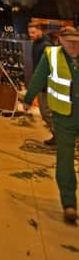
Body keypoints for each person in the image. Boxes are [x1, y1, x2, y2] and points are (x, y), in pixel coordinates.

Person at [22, 27, 79, 224]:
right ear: (60, 41)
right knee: (65, 158)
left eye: (76, 41)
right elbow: (39, 76)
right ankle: (69, 203)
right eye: (69, 41)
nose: (73, 45)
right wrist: (29, 99)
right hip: (64, 119)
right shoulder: (51, 55)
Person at [27, 22, 54, 145]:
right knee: (46, 112)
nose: (31, 35)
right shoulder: (37, 44)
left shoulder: (46, 45)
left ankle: (60, 136)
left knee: (46, 111)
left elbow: (48, 68)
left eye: (33, 32)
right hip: (41, 82)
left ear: (40, 31)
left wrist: (43, 84)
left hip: (46, 84)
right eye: (29, 33)